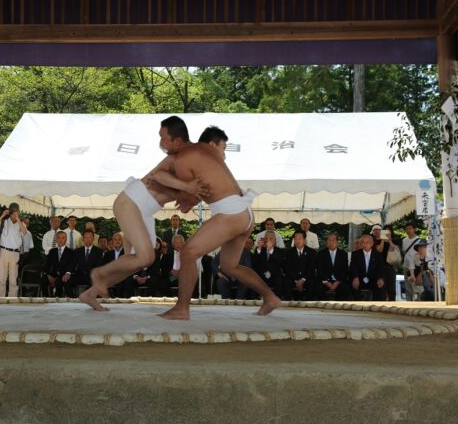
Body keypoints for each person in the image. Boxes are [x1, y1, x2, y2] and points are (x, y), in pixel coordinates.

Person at [78, 116, 208, 311]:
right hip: (132, 202)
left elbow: (184, 197)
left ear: (178, 140)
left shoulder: (188, 160)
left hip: (143, 209)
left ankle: (90, 293)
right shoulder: (176, 157)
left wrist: (190, 197)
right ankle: (99, 274)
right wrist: (186, 187)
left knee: (137, 261)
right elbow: (158, 176)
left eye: (164, 138)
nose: (160, 143)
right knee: (145, 257)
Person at [158, 125, 282, 320]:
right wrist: (190, 196)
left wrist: (182, 195)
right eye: (224, 149)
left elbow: (187, 191)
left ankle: (182, 308)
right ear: (212, 145)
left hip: (231, 212)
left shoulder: (193, 156)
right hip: (244, 213)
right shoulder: (209, 158)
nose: (224, 155)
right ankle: (270, 297)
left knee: (188, 252)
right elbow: (201, 191)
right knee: (229, 266)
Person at [0, 203, 27, 297]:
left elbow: (24, 232)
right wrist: (2, 216)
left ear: (19, 212)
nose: (14, 214)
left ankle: (12, 299)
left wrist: (18, 219)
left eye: (17, 211)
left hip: (15, 253)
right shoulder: (4, 221)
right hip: (3, 252)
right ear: (9, 212)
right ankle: (0, 299)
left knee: (13, 279)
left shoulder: (21, 223)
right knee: (2, 279)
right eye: (12, 212)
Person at [349, 234, 386, 301]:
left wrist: (381, 278)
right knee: (351, 286)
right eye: (363, 242)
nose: (365, 244)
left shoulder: (378, 255)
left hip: (373, 280)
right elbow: (353, 267)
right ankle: (358, 306)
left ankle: (376, 307)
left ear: (372, 244)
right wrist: (355, 278)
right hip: (360, 279)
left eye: (367, 242)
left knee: (381, 287)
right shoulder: (355, 254)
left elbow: (381, 269)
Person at [315, 232, 350, 301]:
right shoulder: (321, 254)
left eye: (333, 240)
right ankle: (324, 307)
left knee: (345, 288)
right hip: (325, 280)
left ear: (337, 242)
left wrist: (338, 282)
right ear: (327, 242)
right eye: (329, 240)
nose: (331, 242)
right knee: (318, 288)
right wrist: (326, 282)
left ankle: (338, 307)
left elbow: (345, 270)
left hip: (338, 280)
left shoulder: (343, 254)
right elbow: (319, 270)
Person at [282, 230, 316, 300]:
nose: (297, 241)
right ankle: (288, 304)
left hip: (306, 278)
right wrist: (296, 280)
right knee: (286, 283)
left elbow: (311, 269)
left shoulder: (311, 252)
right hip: (293, 278)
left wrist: (302, 280)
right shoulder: (289, 252)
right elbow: (287, 268)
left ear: (304, 240)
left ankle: (309, 305)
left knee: (312, 284)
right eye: (295, 239)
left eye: (300, 238)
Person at [70, 229, 103, 297]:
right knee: (68, 280)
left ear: (93, 239)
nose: (88, 239)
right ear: (83, 239)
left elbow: (98, 265)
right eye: (86, 237)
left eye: (90, 237)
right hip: (80, 275)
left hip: (92, 276)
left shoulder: (99, 251)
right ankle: (71, 299)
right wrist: (68, 273)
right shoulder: (77, 251)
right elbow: (73, 264)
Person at [40, 230, 74, 297]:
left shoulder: (71, 252)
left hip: (63, 276)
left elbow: (71, 265)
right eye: (58, 238)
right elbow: (47, 264)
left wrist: (67, 273)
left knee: (59, 281)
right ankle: (46, 299)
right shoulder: (52, 251)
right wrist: (48, 274)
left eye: (63, 238)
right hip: (53, 275)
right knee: (43, 279)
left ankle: (58, 298)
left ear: (66, 239)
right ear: (56, 239)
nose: (60, 240)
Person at [401, 223, 421, 301]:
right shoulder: (404, 240)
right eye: (407, 229)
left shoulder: (419, 240)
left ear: (414, 229)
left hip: (416, 267)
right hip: (406, 266)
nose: (408, 230)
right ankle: (408, 304)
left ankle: (419, 303)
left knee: (417, 287)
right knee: (408, 288)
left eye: (410, 228)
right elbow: (404, 252)